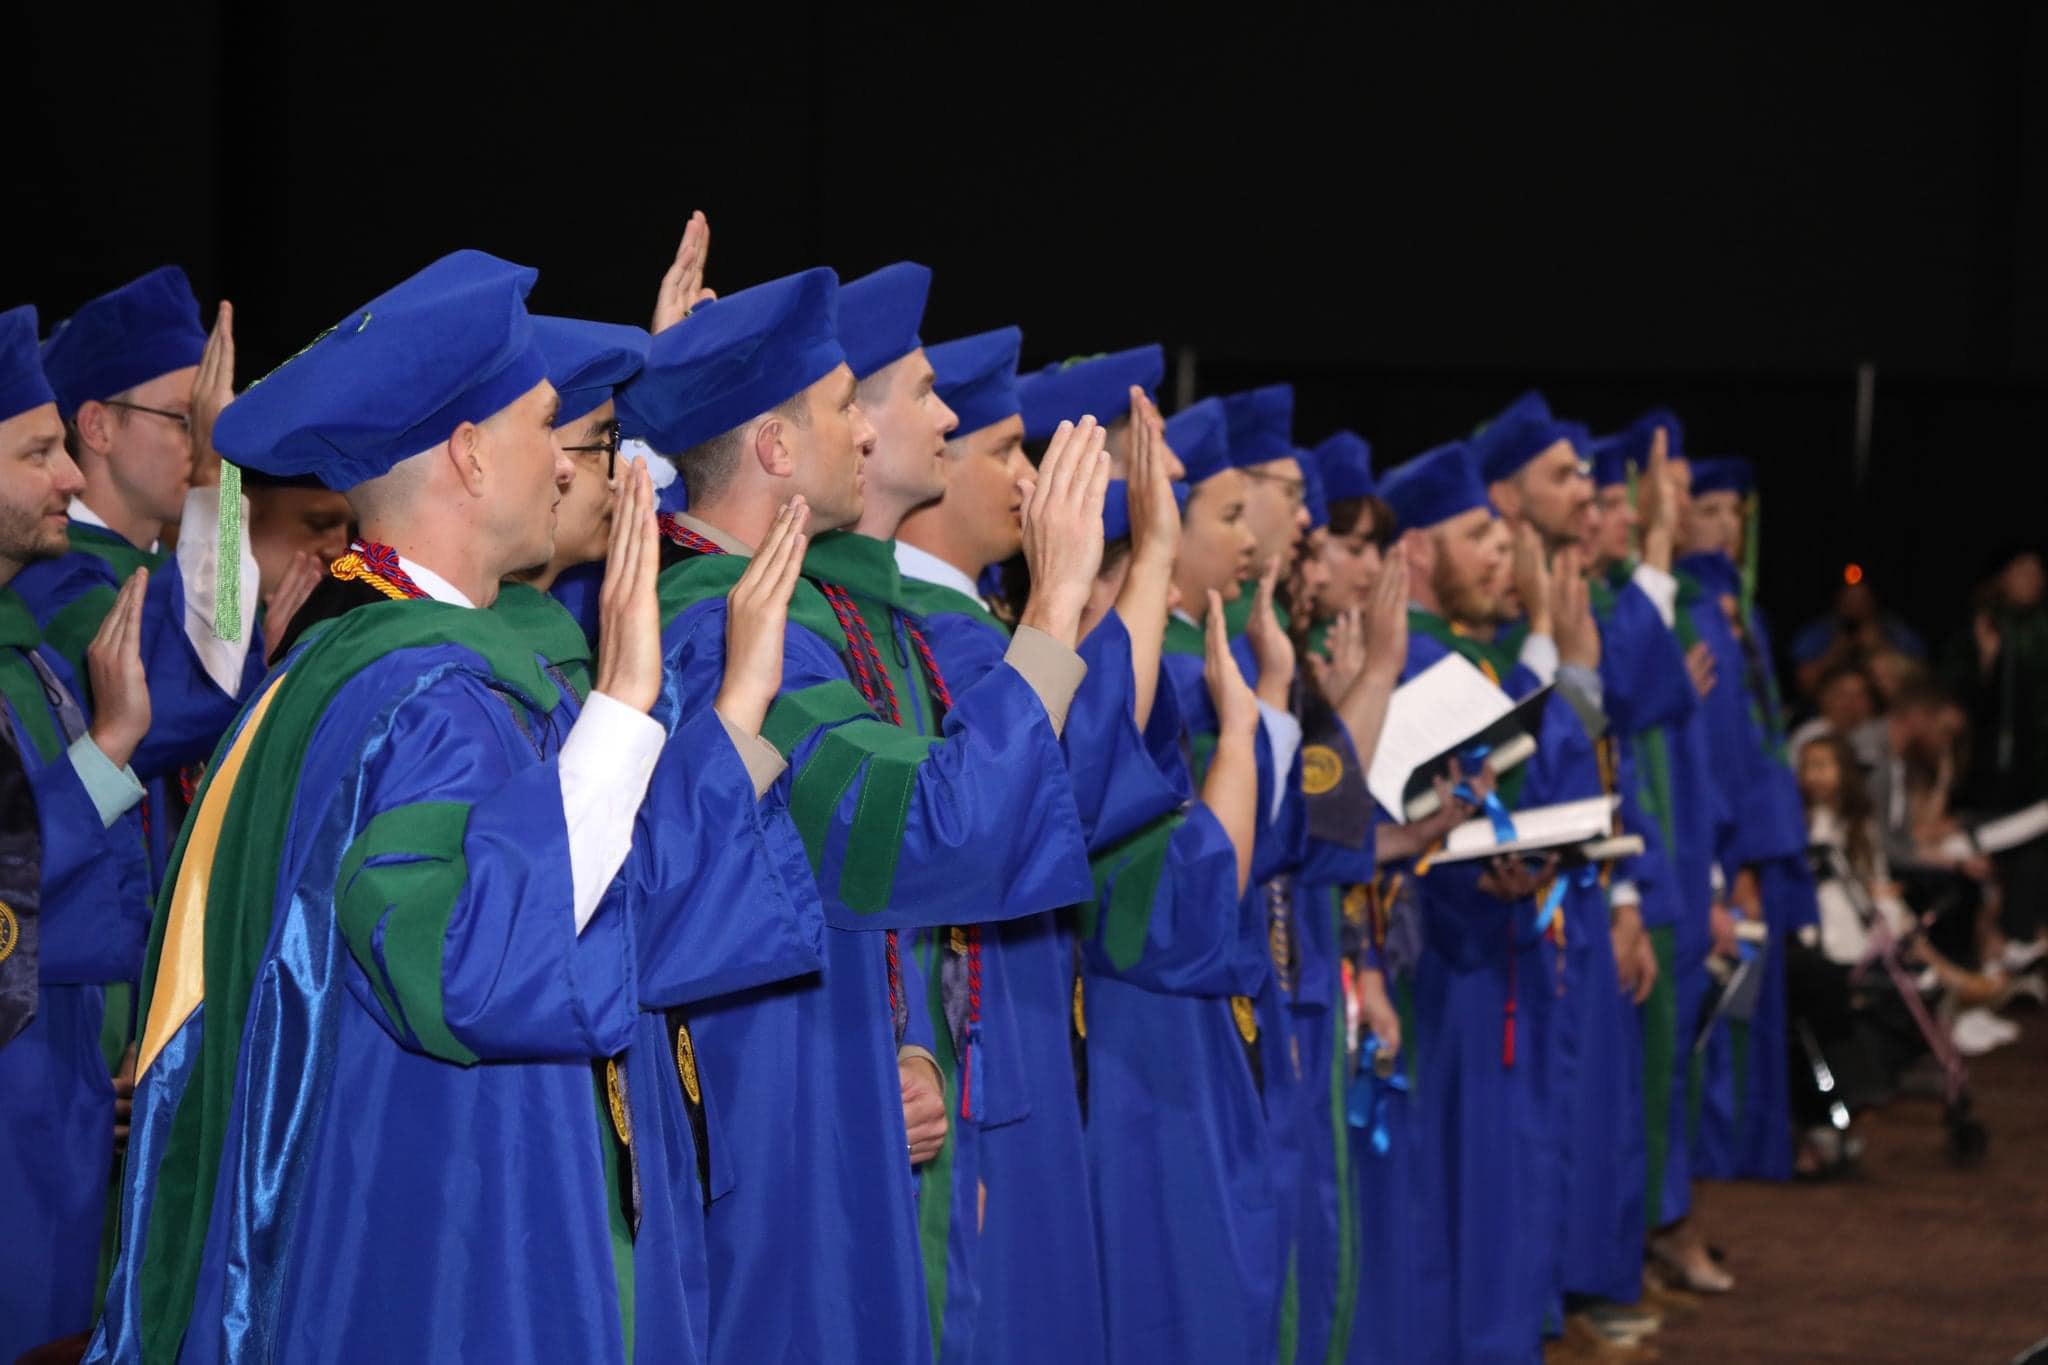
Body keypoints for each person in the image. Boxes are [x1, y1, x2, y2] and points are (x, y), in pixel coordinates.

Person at [89, 249, 813, 1362]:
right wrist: (623, 700)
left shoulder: (393, 671)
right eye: (545, 427)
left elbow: (624, 920)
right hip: (449, 1233)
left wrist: (741, 718)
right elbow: (481, 965)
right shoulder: (415, 699)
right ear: (470, 455)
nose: (572, 468)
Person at [618, 264, 1105, 1364]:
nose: (869, 433)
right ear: (777, 448)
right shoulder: (722, 629)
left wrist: (905, 1052)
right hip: (766, 1125)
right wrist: (1058, 601)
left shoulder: (779, 611)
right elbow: (930, 827)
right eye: (846, 404)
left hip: (816, 1091)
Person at [1376, 437, 1599, 1361]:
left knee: (1492, 1169)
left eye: (1503, 540)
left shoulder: (1476, 655)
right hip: (1439, 960)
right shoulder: (1415, 661)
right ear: (1418, 549)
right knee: (1456, 1173)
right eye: (1480, 537)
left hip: (1490, 937)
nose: (1502, 555)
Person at [0, 304, 153, 1361]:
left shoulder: (32, 664)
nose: (66, 478)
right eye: (36, 451)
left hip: (63, 1100)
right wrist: (107, 749)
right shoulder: (62, 625)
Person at [21, 267, 266, 885]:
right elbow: (183, 702)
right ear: (98, 427)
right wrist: (218, 476)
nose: (209, 440)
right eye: (189, 420)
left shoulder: (163, 569)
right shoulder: (47, 576)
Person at [1676, 455, 1818, 1186]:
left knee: (1755, 991)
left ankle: (1758, 1137)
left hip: (1755, 829)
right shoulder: (1690, 615)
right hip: (1719, 833)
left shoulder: (1746, 613)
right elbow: (1717, 747)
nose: (1726, 527)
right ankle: (1720, 1149)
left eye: (1737, 513)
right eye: (1710, 510)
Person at [1791, 578, 1925, 699]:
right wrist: (1835, 653)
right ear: (1838, 602)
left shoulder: (1894, 629)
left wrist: (1879, 646)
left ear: (1873, 601)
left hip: (1889, 707)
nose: (1855, 606)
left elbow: (1922, 677)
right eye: (1850, 599)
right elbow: (1805, 684)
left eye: (1862, 599)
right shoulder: (1820, 632)